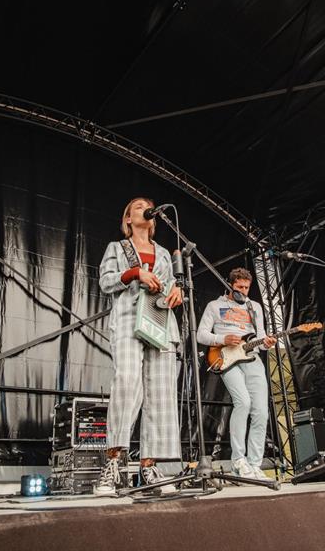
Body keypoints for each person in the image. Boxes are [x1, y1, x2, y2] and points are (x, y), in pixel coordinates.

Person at [94, 197, 183, 497]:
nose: (143, 209)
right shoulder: (117, 248)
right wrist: (135, 273)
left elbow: (171, 284)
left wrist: (176, 293)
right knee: (127, 384)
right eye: (136, 206)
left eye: (148, 206)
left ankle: (149, 466)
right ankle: (114, 464)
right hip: (128, 321)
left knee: (160, 393)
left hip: (159, 322)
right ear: (129, 218)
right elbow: (105, 282)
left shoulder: (163, 254)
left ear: (154, 218)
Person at [196, 267, 276, 479]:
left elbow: (260, 337)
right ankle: (238, 461)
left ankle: (255, 464)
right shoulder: (215, 306)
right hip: (227, 358)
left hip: (252, 357)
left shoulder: (255, 307)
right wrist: (222, 339)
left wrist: (267, 343)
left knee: (261, 410)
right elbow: (201, 335)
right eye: (239, 287)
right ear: (230, 285)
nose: (243, 290)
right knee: (243, 403)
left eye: (247, 287)